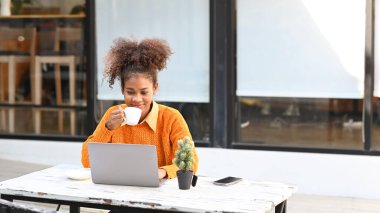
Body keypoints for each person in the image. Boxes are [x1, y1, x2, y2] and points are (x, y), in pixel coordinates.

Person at [81, 38, 199, 179]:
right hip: (120, 190)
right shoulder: (112, 116)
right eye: (130, 92)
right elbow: (87, 162)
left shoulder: (171, 118)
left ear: (155, 88)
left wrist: (162, 172)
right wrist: (107, 129)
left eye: (144, 92)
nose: (137, 99)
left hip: (160, 194)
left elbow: (191, 164)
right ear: (122, 89)